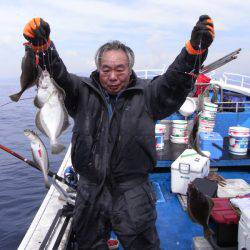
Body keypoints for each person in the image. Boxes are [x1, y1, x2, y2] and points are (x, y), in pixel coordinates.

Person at [23, 15, 214, 249]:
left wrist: (194, 51)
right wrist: (44, 48)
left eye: (120, 69)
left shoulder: (148, 94)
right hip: (90, 190)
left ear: (130, 68)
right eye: (106, 70)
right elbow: (58, 75)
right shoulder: (80, 92)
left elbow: (174, 81)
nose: (113, 76)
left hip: (134, 192)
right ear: (98, 69)